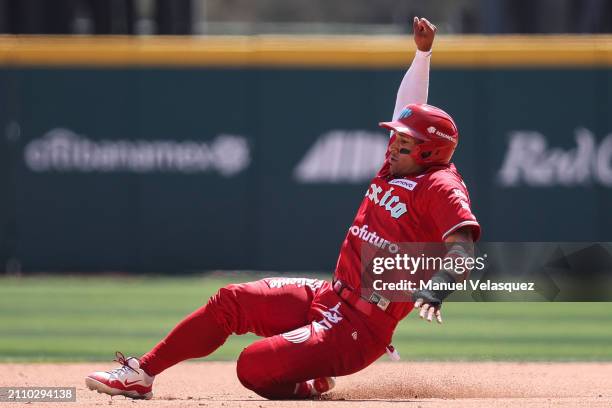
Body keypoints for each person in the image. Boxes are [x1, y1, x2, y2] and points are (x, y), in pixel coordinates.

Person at [85, 17, 480, 400]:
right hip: (330, 297)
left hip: (360, 328)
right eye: (395, 139)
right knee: (230, 302)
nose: (393, 145)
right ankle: (141, 374)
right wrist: (422, 55)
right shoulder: (397, 167)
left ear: (429, 151)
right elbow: (407, 107)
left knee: (251, 367)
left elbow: (463, 248)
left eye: (404, 142)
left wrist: (438, 288)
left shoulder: (439, 184)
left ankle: (308, 381)